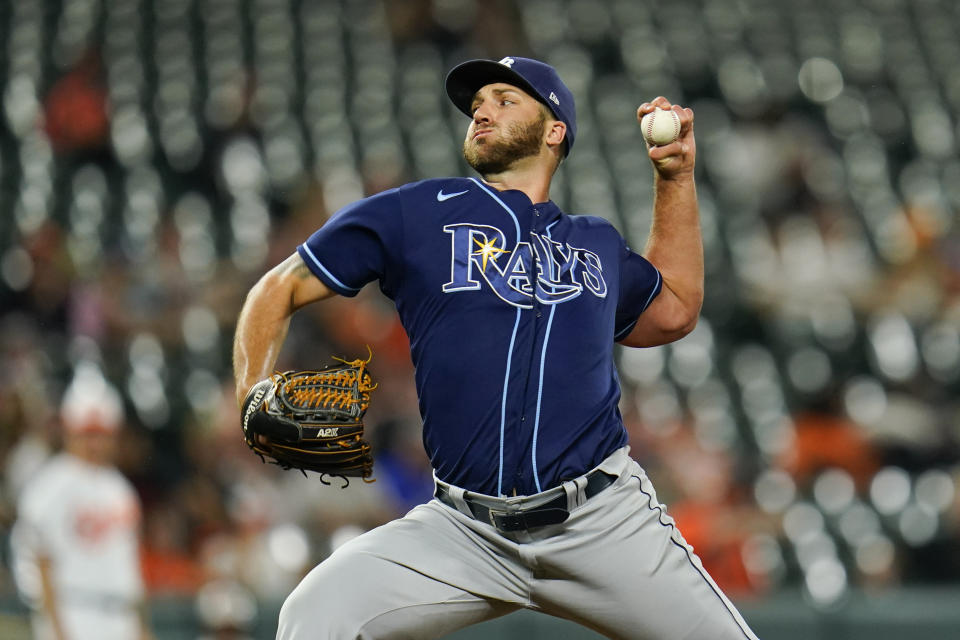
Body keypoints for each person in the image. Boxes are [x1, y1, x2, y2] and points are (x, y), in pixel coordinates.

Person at [233, 56, 759, 639]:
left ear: (555, 130)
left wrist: (674, 179)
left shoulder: (595, 243)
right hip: (463, 528)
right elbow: (275, 290)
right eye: (478, 102)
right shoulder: (416, 213)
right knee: (315, 613)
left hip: (602, 520)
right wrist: (251, 390)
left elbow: (676, 310)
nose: (482, 109)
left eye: (505, 100)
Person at [10, 362, 153, 640]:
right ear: (69, 430)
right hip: (74, 610)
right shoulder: (48, 486)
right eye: (88, 432)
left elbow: (130, 568)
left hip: (120, 615)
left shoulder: (121, 490)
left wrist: (141, 628)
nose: (95, 443)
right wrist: (55, 629)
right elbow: (38, 562)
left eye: (101, 434)